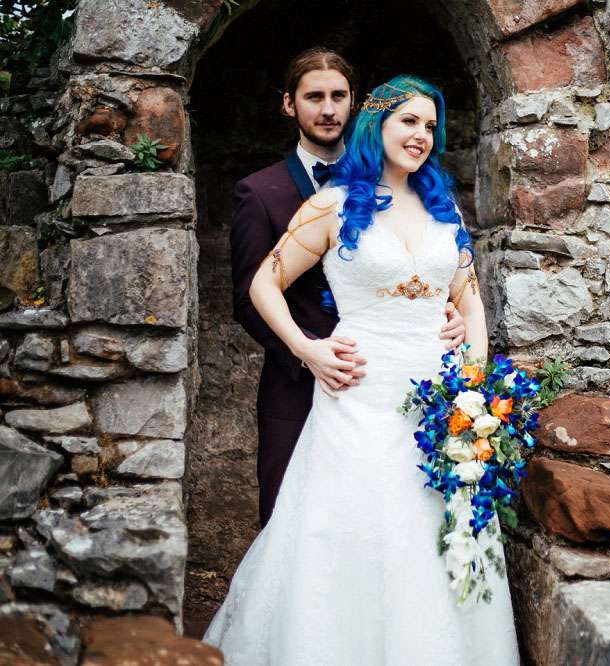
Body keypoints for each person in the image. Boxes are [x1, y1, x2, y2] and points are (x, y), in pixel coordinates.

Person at [202, 75, 519, 664]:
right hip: (359, 394)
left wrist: (473, 386)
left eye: (430, 126)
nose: (421, 135)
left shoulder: (444, 207)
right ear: (377, 124)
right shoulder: (332, 204)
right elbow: (263, 283)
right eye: (409, 121)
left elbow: (470, 301)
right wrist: (308, 348)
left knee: (432, 527)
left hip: (438, 400)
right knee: (352, 528)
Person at [229, 47, 466, 526]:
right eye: (313, 97)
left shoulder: (409, 184)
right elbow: (250, 294)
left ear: (356, 105)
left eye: (338, 96)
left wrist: (441, 308)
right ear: (289, 104)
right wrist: (309, 352)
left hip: (410, 375)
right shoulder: (261, 192)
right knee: (299, 522)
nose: (328, 108)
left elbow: (437, 272)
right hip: (304, 379)